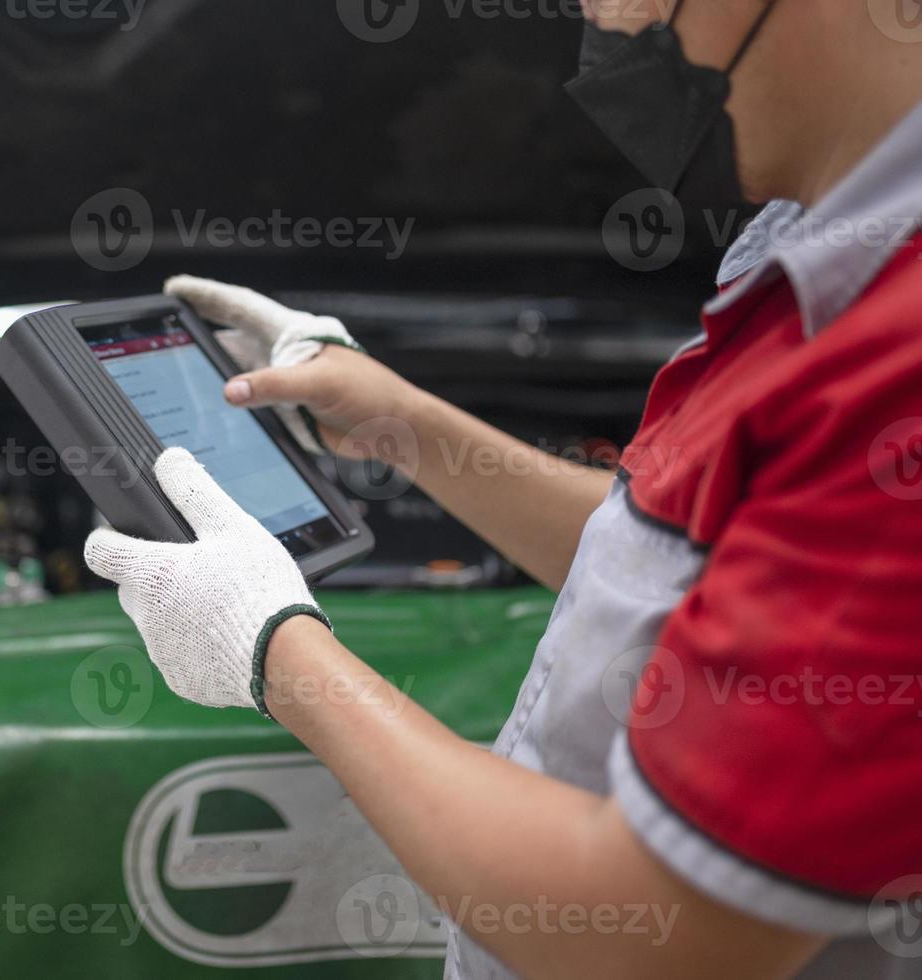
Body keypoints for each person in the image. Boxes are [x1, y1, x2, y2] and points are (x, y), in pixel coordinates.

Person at [82, 0, 922, 976]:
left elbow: (654, 929)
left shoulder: (894, 355)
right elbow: (689, 576)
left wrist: (271, 644)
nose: (600, 18)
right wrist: (405, 424)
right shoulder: (812, 250)